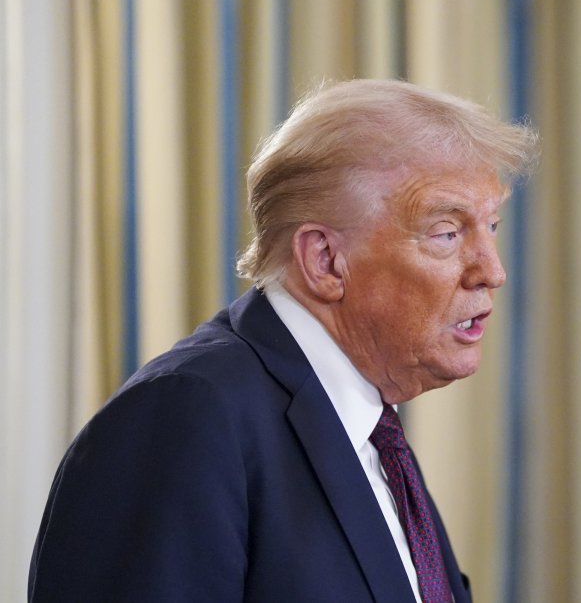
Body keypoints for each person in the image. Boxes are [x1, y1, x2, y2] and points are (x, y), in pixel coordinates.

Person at [27, 79, 538, 602]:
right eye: (447, 233)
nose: (491, 272)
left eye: (491, 226)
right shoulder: (188, 415)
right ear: (324, 261)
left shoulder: (372, 431)